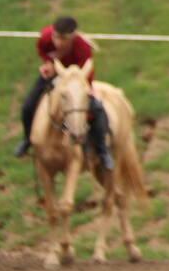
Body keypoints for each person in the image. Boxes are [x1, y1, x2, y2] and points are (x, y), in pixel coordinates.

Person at [14, 15, 114, 170]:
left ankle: (102, 150)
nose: (58, 42)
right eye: (56, 37)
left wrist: (86, 89)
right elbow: (42, 50)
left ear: (73, 36)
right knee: (28, 105)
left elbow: (87, 73)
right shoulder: (46, 38)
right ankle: (27, 139)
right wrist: (48, 64)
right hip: (55, 73)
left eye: (63, 39)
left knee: (97, 109)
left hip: (77, 79)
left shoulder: (83, 48)